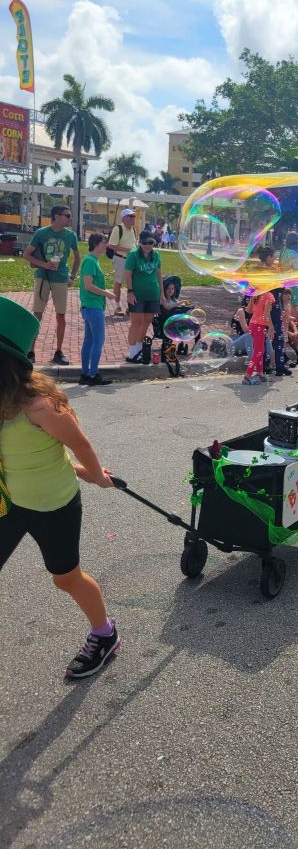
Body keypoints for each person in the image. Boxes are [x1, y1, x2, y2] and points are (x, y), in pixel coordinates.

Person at [0, 297, 120, 679]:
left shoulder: (40, 406)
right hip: (7, 501)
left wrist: (93, 473)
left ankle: (105, 634)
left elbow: (79, 444)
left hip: (52, 505)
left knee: (65, 577)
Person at [22, 205, 80, 365]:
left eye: (70, 215)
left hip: (61, 279)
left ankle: (58, 352)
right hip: (43, 278)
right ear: (56, 216)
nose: (70, 218)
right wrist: (44, 265)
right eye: (67, 215)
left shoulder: (71, 235)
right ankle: (31, 351)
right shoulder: (41, 233)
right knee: (37, 315)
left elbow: (77, 258)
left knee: (61, 316)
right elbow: (26, 255)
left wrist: (72, 276)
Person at [78, 234, 117, 386]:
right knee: (98, 341)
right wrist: (106, 293)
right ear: (96, 244)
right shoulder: (90, 261)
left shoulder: (93, 260)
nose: (106, 245)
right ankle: (93, 374)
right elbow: (88, 285)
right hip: (93, 306)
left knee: (89, 341)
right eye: (104, 242)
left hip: (91, 306)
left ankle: (85, 374)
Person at [123, 230, 167, 363]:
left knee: (146, 322)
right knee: (136, 322)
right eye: (144, 243)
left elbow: (159, 274)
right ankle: (132, 352)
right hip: (138, 295)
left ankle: (139, 348)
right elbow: (128, 274)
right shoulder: (133, 255)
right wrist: (130, 292)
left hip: (153, 294)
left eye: (150, 243)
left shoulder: (156, 255)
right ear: (140, 243)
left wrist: (162, 293)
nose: (148, 245)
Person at [107, 208, 138, 317]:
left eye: (134, 216)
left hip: (132, 260)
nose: (133, 218)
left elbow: (134, 244)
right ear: (124, 218)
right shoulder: (118, 229)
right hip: (121, 259)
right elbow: (111, 245)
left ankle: (131, 306)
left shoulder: (134, 229)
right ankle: (117, 307)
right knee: (119, 282)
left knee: (133, 283)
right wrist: (128, 250)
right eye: (131, 216)